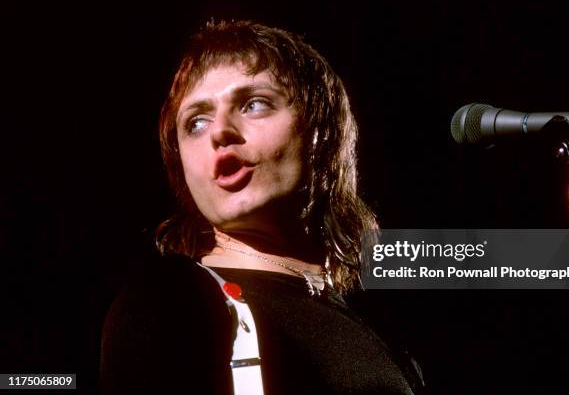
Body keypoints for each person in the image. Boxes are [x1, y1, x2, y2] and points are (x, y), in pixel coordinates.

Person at [99, 20, 424, 394]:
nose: (220, 131)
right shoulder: (170, 304)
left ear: (321, 130)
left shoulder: (378, 320)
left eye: (254, 104)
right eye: (196, 122)